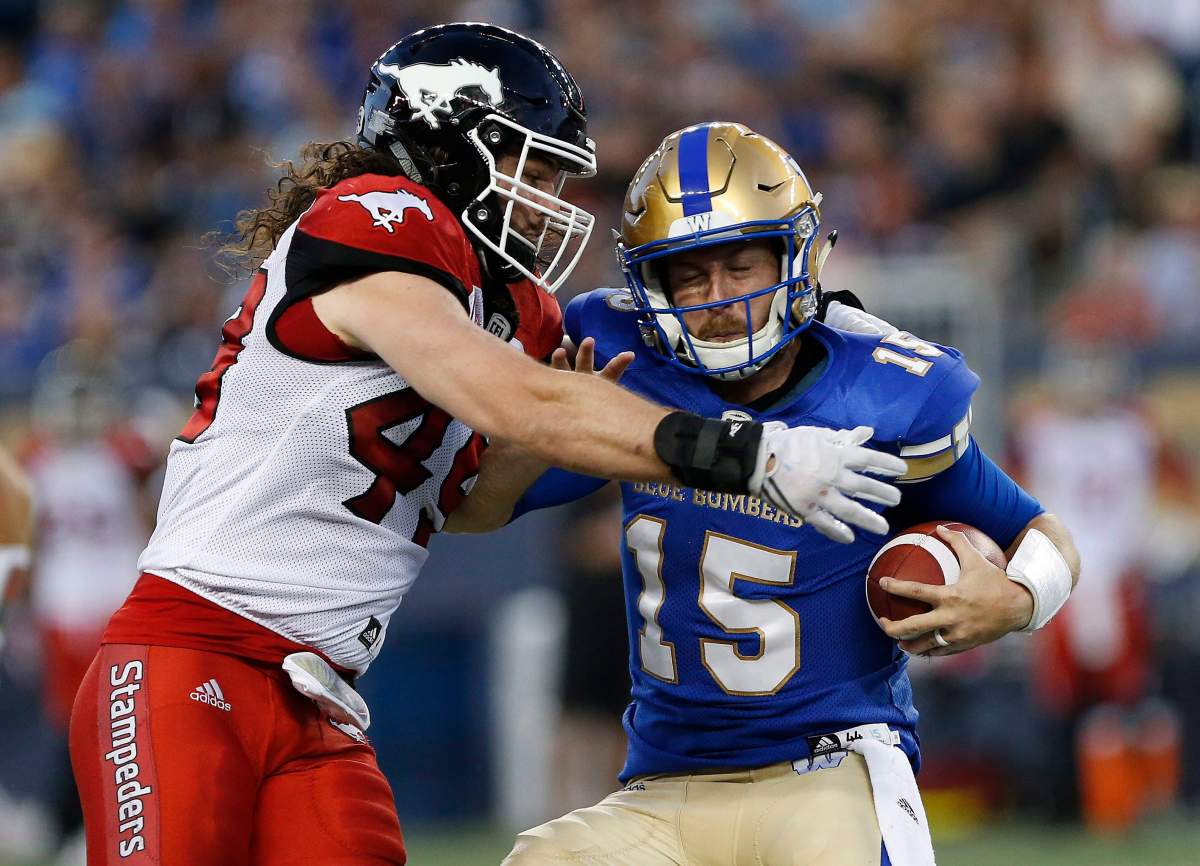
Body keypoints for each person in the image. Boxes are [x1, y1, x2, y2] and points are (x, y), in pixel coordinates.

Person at [67, 26, 905, 866]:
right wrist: (749, 456)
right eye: (532, 170)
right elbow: (502, 392)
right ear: (447, 149)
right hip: (192, 650)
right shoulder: (375, 219)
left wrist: (546, 439)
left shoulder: (513, 307)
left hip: (318, 693)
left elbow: (466, 507)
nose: (550, 198)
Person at [456, 122, 1081, 866]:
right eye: (689, 276)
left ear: (800, 256)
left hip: (831, 767)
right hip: (665, 784)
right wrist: (547, 428)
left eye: (742, 267)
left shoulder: (886, 391)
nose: (716, 299)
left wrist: (1015, 599)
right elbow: (476, 508)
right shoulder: (625, 361)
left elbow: (1040, 532)